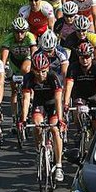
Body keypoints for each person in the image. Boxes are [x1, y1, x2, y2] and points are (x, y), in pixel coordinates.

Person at [21, 53, 65, 182]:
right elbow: (26, 99)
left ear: (48, 69)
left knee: (55, 130)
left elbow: (58, 100)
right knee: (37, 125)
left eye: (44, 71)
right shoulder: (28, 78)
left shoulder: (53, 77)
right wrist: (23, 119)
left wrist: (61, 119)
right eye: (38, 72)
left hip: (52, 105)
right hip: (39, 104)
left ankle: (59, 166)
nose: (41, 75)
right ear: (33, 70)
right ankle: (38, 149)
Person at [64, 41, 96, 132]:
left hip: (94, 95)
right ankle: (80, 132)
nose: (85, 60)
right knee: (77, 114)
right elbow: (69, 86)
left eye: (87, 57)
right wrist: (66, 103)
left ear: (92, 56)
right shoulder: (73, 67)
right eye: (82, 57)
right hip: (80, 95)